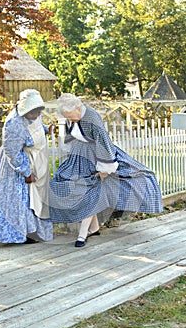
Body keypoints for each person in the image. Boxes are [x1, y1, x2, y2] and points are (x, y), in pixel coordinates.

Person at [49, 93, 163, 247]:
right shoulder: (71, 118)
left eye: (70, 116)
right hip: (79, 157)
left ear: (78, 107)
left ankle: (82, 234)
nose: (70, 119)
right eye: (67, 117)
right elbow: (71, 137)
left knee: (90, 190)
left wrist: (104, 169)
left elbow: (103, 142)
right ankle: (94, 228)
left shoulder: (92, 117)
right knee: (69, 186)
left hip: (97, 156)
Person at [0, 89, 53, 244]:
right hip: (14, 166)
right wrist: (26, 172)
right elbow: (12, 153)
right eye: (33, 112)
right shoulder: (14, 123)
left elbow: (35, 128)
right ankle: (20, 234)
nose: (35, 116)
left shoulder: (33, 116)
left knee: (32, 199)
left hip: (28, 159)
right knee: (18, 200)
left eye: (37, 112)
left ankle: (31, 232)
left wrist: (47, 130)